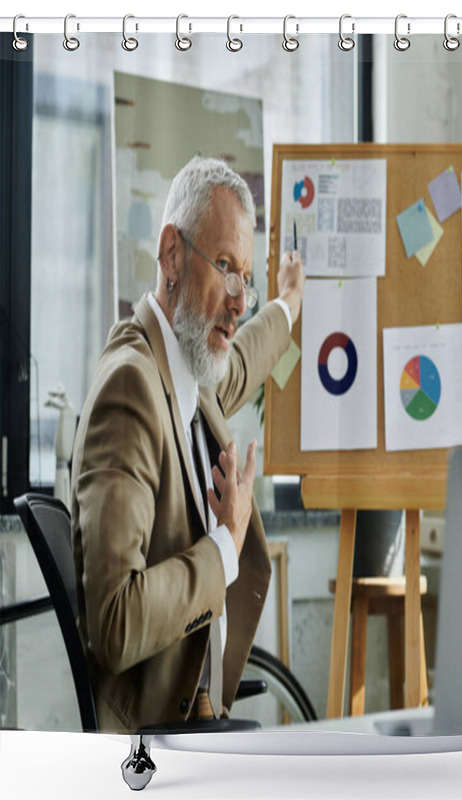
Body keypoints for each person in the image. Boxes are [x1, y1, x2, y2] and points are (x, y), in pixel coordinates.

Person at [70, 156, 304, 732]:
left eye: (245, 279)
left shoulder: (186, 371)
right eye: (225, 266)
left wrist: (287, 303)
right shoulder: (133, 386)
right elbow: (115, 622)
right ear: (171, 255)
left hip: (194, 719)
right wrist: (225, 545)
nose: (238, 299)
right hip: (156, 744)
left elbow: (242, 358)